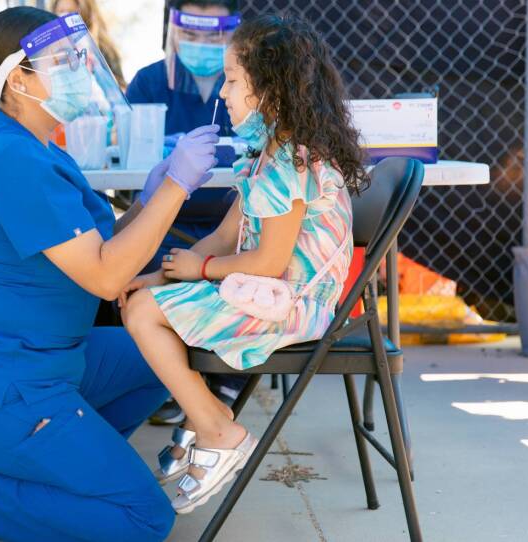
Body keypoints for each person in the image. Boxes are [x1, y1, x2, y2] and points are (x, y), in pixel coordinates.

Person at [0, 8, 219, 541]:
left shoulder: (36, 141)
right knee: (145, 520)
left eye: (80, 58)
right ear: (19, 78)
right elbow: (104, 279)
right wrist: (175, 191)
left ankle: (57, 470)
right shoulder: (14, 157)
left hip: (40, 362)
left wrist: (144, 202)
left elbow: (93, 248)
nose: (80, 70)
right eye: (64, 61)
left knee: (162, 354)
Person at [119, 14, 368, 514]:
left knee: (144, 315)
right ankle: (208, 418)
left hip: (295, 305)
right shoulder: (264, 155)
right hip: (264, 291)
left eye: (233, 81)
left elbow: (269, 259)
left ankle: (215, 429)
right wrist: (154, 274)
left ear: (270, 89)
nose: (222, 94)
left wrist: (199, 271)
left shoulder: (288, 162)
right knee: (144, 301)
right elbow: (221, 237)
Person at [127, 0, 245, 425]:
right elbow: (128, 161)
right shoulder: (149, 83)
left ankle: (225, 377)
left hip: (232, 226)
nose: (201, 45)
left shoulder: (247, 85)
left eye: (213, 35)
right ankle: (171, 380)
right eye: (191, 34)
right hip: (166, 225)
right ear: (174, 30)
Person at [50, 0, 125, 88]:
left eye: (71, 12)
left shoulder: (104, 48)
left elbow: (121, 87)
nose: (65, 16)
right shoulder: (51, 51)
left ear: (86, 14)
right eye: (61, 11)